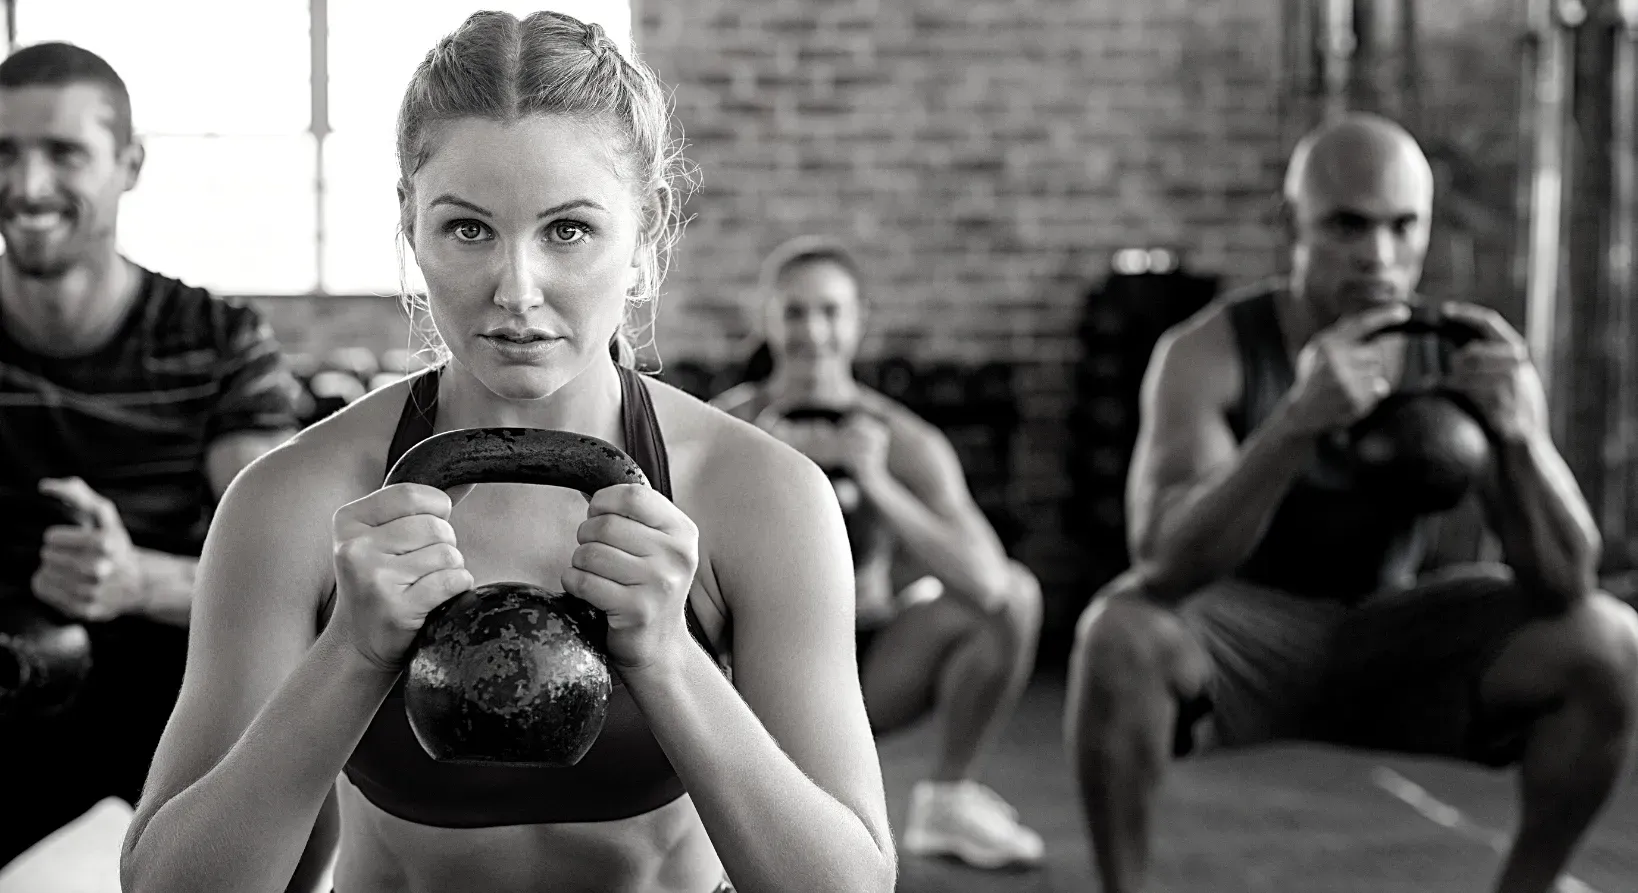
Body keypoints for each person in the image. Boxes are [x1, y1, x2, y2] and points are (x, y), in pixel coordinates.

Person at [120, 13, 895, 893]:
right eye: (469, 229)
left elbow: (850, 885)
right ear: (411, 226)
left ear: (644, 235)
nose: (516, 291)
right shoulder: (295, 499)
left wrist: (672, 659)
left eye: (568, 231)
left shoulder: (762, 497)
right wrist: (350, 655)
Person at [1065, 111, 1638, 893]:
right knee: (1116, 631)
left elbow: (1566, 582)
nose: (1379, 255)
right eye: (1347, 226)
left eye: (1404, 227)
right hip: (1243, 641)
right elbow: (1161, 562)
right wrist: (1293, 423)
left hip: (1403, 637)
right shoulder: (1208, 352)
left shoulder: (1470, 353)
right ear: (1290, 223)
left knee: (1610, 638)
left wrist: (1517, 439)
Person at [0, 40, 327, 885]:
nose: (28, 185)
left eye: (63, 152)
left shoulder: (217, 342)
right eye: (4, 153)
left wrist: (135, 579)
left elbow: (296, 576)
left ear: (128, 163)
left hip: (180, 687)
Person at [712, 236, 1046, 870]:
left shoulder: (903, 439)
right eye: (795, 312)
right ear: (769, 319)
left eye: (831, 312)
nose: (814, 332)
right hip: (748, 667)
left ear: (860, 318)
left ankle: (948, 800)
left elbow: (989, 583)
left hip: (866, 663)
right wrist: (763, 467)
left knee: (1020, 594)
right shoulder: (728, 426)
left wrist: (878, 482)